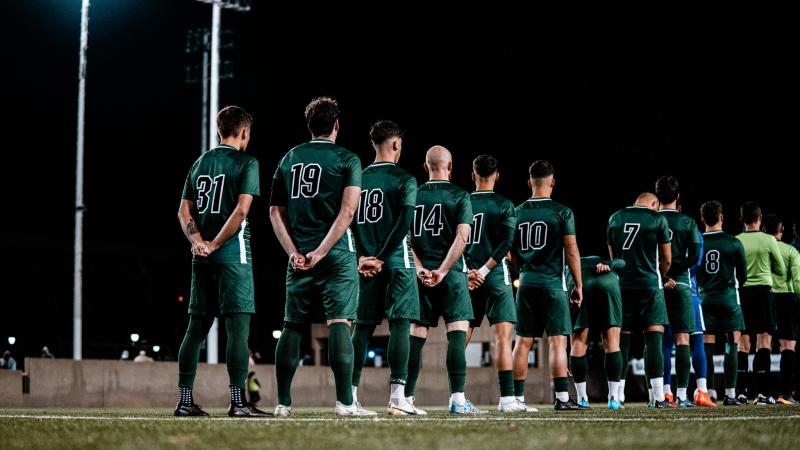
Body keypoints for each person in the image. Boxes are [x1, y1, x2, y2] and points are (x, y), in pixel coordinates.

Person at [270, 97, 365, 417]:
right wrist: (322, 251)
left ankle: (282, 404)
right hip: (336, 253)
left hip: (298, 255)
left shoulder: (289, 158)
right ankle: (344, 403)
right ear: (336, 125)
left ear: (309, 125)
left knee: (292, 325)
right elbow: (348, 210)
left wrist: (294, 252)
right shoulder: (347, 158)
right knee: (339, 321)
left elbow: (274, 211)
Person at [175, 105, 267, 418]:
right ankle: (238, 402)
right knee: (238, 330)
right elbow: (241, 211)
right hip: (232, 254)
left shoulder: (199, 163)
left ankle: (185, 401)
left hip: (201, 257)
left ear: (218, 130)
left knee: (195, 329)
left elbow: (183, 212)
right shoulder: (247, 162)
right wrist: (214, 244)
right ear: (243, 132)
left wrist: (198, 242)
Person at [350, 120, 420, 415]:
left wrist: (364, 257)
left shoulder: (357, 178)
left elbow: (347, 219)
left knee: (361, 329)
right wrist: (380, 256)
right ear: (395, 145)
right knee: (401, 323)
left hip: (365, 263)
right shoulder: (405, 178)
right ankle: (397, 396)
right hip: (396, 261)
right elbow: (404, 223)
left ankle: (348, 395)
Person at [407, 145, 483, 414]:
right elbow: (462, 238)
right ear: (450, 167)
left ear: (425, 167)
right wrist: (444, 270)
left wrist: (419, 268)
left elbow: (404, 237)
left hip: (420, 275)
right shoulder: (460, 194)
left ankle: (406, 399)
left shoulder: (412, 193)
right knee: (457, 333)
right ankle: (458, 400)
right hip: (452, 275)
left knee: (416, 334)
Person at [510, 160, 584, 411]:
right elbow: (572, 251)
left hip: (527, 282)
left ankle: (516, 399)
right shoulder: (562, 212)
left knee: (523, 341)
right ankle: (562, 398)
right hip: (553, 284)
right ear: (552, 182)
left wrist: (522, 269)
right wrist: (579, 285)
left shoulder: (517, 211)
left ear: (529, 182)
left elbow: (511, 253)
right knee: (557, 342)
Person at [463, 155, 521, 413]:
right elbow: (507, 242)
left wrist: (469, 271)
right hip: (496, 275)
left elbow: (454, 240)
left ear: (473, 175)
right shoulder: (504, 204)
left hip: (466, 277)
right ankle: (507, 400)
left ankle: (456, 395)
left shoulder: (461, 200)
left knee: (460, 336)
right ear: (497, 175)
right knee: (503, 338)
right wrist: (485, 270)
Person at [608, 192, 672, 408]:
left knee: (621, 340)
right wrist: (661, 276)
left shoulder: (615, 218)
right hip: (650, 286)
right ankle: (658, 397)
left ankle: (617, 396)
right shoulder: (657, 218)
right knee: (654, 339)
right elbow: (667, 258)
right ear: (654, 203)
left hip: (622, 286)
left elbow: (613, 258)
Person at [655, 176, 702, 407]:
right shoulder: (688, 222)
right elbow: (694, 257)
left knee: (656, 339)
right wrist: (675, 273)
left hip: (656, 284)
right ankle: (682, 395)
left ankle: (661, 394)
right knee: (683, 339)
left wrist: (663, 276)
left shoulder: (651, 219)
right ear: (678, 197)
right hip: (682, 284)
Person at [696, 201, 748, 405]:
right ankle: (731, 393)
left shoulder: (698, 241)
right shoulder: (733, 242)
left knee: (707, 345)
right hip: (728, 298)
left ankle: (709, 391)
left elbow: (694, 270)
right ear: (722, 216)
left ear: (702, 219)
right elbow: (743, 275)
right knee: (732, 343)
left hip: (705, 299)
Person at [736, 201, 786, 405]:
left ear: (742, 220)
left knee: (743, 343)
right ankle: (764, 394)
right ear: (760, 219)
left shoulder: (736, 240)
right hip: (764, 293)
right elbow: (781, 269)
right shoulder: (768, 240)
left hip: (743, 292)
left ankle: (740, 393)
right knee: (764, 341)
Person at [568, 256, 625, 410]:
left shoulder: (569, 262)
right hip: (608, 281)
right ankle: (614, 398)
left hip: (579, 281)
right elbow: (622, 263)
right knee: (612, 342)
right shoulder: (604, 262)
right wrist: (609, 264)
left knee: (578, 342)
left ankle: (582, 398)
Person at [763, 214, 800, 404]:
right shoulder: (791, 250)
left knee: (764, 344)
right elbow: (798, 281)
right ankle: (785, 394)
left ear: (764, 230)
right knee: (788, 345)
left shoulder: (762, 249)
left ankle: (764, 393)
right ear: (782, 229)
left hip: (766, 295)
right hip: (786, 298)